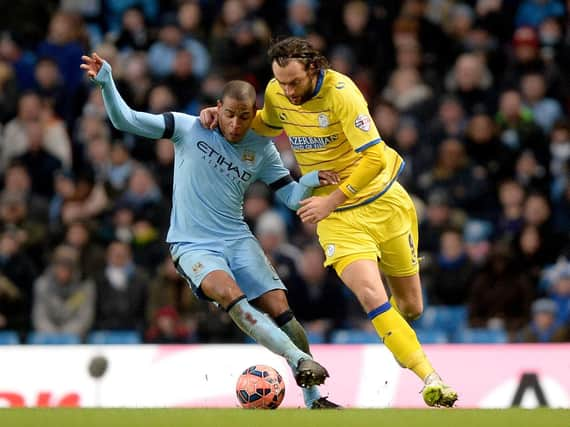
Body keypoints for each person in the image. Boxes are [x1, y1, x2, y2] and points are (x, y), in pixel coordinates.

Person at [200, 37, 458, 407]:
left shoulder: (342, 92)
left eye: (294, 83)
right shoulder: (277, 93)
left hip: (384, 202)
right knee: (372, 296)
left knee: (412, 307)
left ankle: (398, 333)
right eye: (281, 82)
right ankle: (431, 380)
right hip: (337, 220)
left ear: (313, 69)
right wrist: (222, 112)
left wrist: (333, 198)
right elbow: (263, 125)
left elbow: (373, 158)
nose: (287, 91)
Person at [81, 52, 339, 409]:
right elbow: (126, 121)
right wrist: (107, 82)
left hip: (236, 238)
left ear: (255, 116)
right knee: (231, 295)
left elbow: (293, 199)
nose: (235, 124)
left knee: (282, 310)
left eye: (245, 117)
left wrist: (308, 180)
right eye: (230, 114)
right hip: (192, 244)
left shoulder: (262, 149)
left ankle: (314, 399)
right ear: (218, 108)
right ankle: (298, 360)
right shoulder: (190, 127)